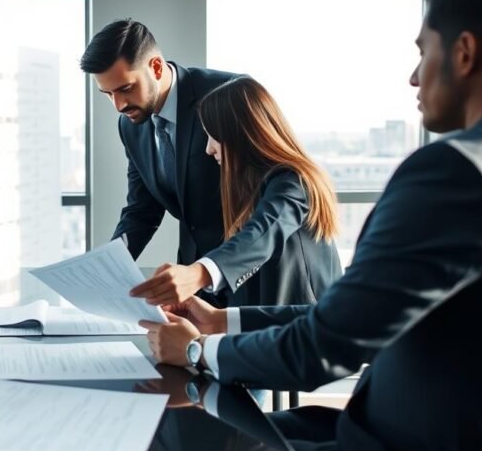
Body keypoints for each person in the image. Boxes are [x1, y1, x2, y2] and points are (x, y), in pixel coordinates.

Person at [141, 0, 482, 451]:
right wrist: (218, 322)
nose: (414, 77)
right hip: (408, 436)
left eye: (424, 52)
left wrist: (192, 348)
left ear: (465, 53)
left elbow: (325, 344)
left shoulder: (452, 176)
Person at [81, 20, 294, 309]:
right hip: (196, 281)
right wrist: (107, 267)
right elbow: (142, 210)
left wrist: (203, 273)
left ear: (155, 68)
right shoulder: (131, 125)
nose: (118, 105)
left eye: (126, 88)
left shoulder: (228, 94)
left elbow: (284, 193)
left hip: (264, 273)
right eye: (107, 94)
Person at [130, 76, 343, 320]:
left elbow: (262, 235)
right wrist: (194, 309)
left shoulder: (294, 181)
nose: (208, 149)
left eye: (213, 136)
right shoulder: (246, 191)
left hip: (305, 339)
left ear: (241, 135)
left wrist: (198, 273)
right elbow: (244, 280)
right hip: (262, 337)